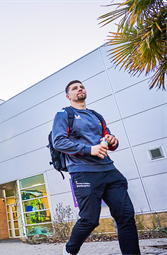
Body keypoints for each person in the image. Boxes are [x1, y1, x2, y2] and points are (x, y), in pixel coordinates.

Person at [51, 80, 140, 255]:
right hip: (84, 172)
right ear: (69, 96)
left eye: (81, 86)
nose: (80, 89)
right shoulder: (64, 114)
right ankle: (69, 250)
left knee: (126, 217)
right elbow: (59, 142)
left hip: (110, 171)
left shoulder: (96, 115)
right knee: (90, 220)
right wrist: (89, 149)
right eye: (75, 88)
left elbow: (106, 139)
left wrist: (112, 140)